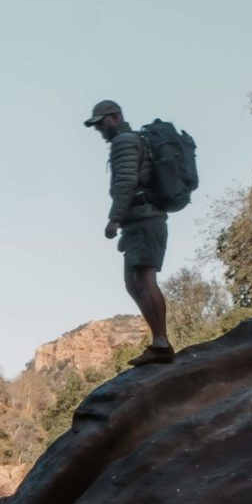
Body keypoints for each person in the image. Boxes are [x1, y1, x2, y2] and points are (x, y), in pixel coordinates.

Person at [85, 99, 173, 363]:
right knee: (133, 283)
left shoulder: (124, 142)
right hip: (140, 221)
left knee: (144, 279)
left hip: (144, 219)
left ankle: (161, 344)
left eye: (101, 123)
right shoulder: (129, 141)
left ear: (115, 117)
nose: (99, 129)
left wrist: (114, 219)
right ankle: (159, 342)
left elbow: (126, 182)